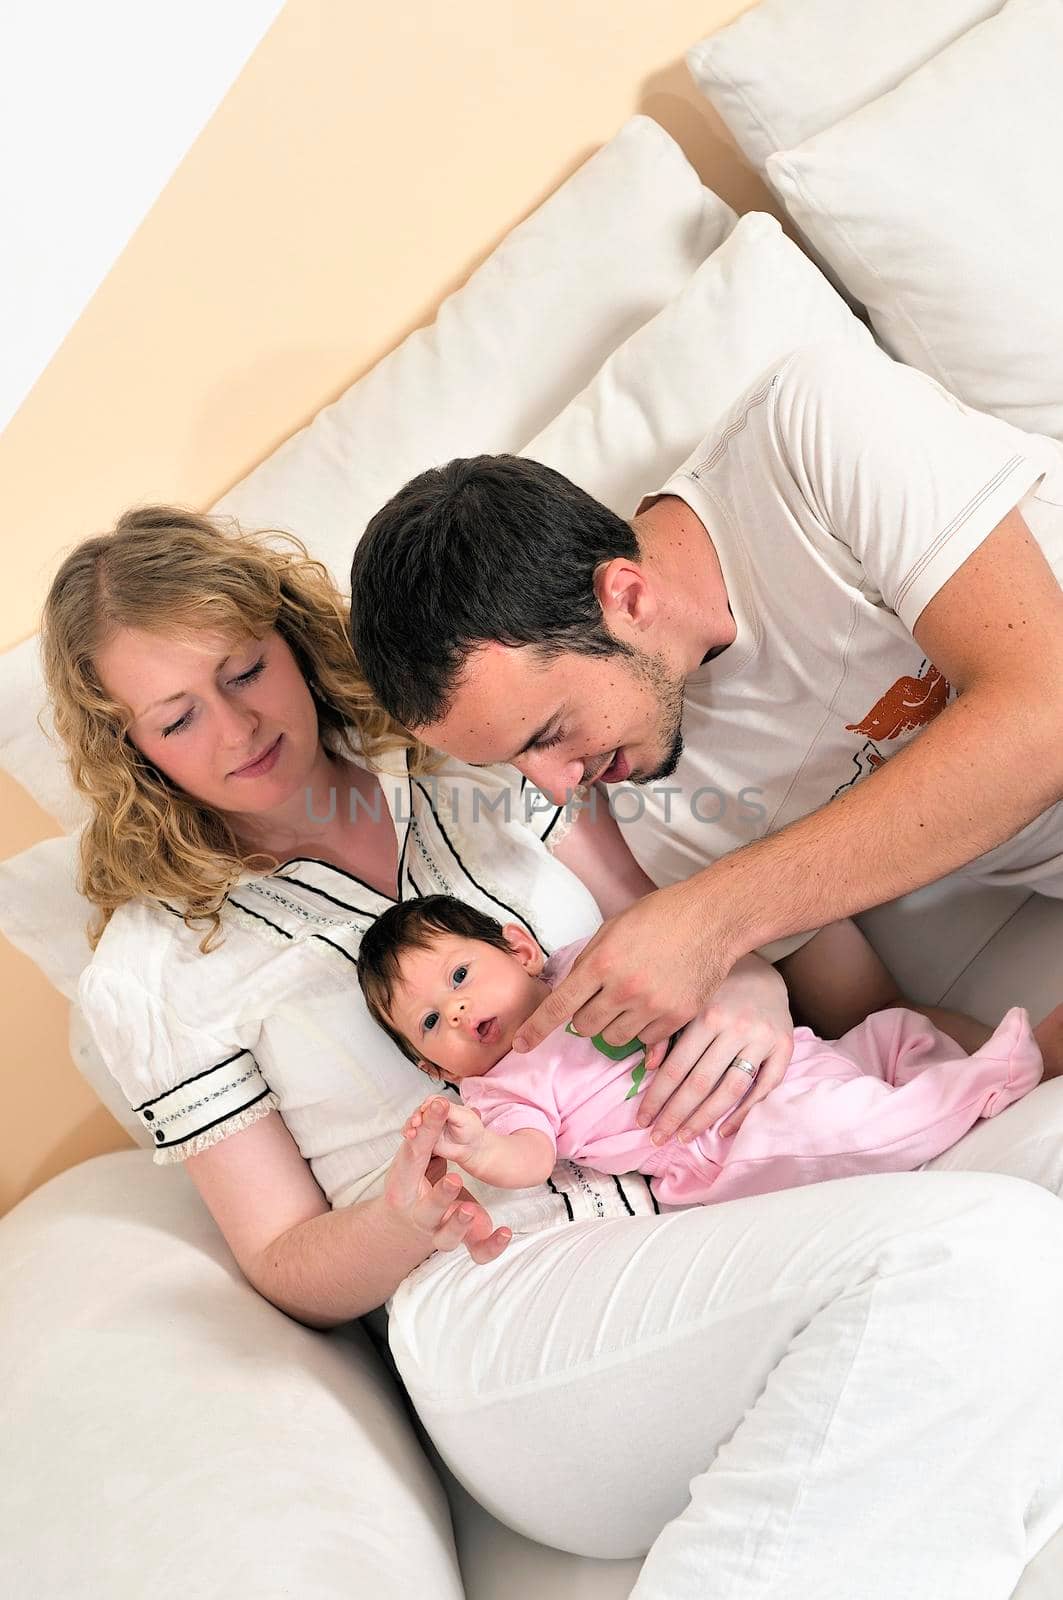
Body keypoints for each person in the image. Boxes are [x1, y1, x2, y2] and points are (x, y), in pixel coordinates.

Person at [42, 504, 1063, 1599]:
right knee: (981, 1251)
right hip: (509, 1311)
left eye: (244, 670)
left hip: (737, 1196)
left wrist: (754, 997)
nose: (236, 729)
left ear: (289, 637)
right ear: (129, 748)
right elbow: (282, 1258)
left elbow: (686, 936)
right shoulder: (156, 967)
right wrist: (403, 1215)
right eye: (176, 717)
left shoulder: (473, 758)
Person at [347, 339, 1063, 1139]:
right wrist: (751, 984)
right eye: (513, 763)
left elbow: (1045, 710)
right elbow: (881, 1031)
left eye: (547, 734)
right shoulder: (664, 810)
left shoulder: (811, 433)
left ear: (624, 596)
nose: (557, 787)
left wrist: (719, 918)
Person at [359, 894, 1048, 1206]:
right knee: (831, 1129)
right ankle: (997, 1076)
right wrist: (477, 1150)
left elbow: (689, 958)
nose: (453, 1009)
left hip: (782, 1058)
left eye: (458, 977)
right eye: (427, 1023)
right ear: (434, 1069)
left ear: (519, 948)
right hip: (725, 1142)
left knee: (889, 1033)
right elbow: (528, 1156)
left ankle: (941, 1074)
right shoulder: (504, 1090)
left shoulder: (591, 961)